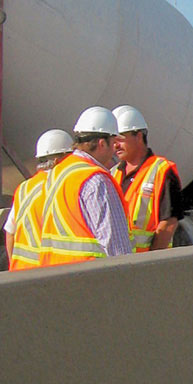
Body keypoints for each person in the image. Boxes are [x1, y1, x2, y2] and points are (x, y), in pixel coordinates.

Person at [37, 106, 133, 266]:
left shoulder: (58, 172)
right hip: (89, 275)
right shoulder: (96, 180)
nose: (115, 148)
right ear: (102, 143)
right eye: (113, 143)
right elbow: (115, 246)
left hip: (53, 273)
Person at [111, 105, 184, 252]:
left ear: (138, 136)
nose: (115, 145)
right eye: (113, 140)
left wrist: (151, 260)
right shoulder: (113, 173)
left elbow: (169, 223)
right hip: (120, 260)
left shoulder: (162, 170)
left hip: (146, 260)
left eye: (120, 139)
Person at [5, 129, 73, 270]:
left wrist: (13, 266)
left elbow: (10, 233)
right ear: (60, 159)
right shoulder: (67, 184)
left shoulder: (24, 188)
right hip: (55, 270)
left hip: (23, 271)